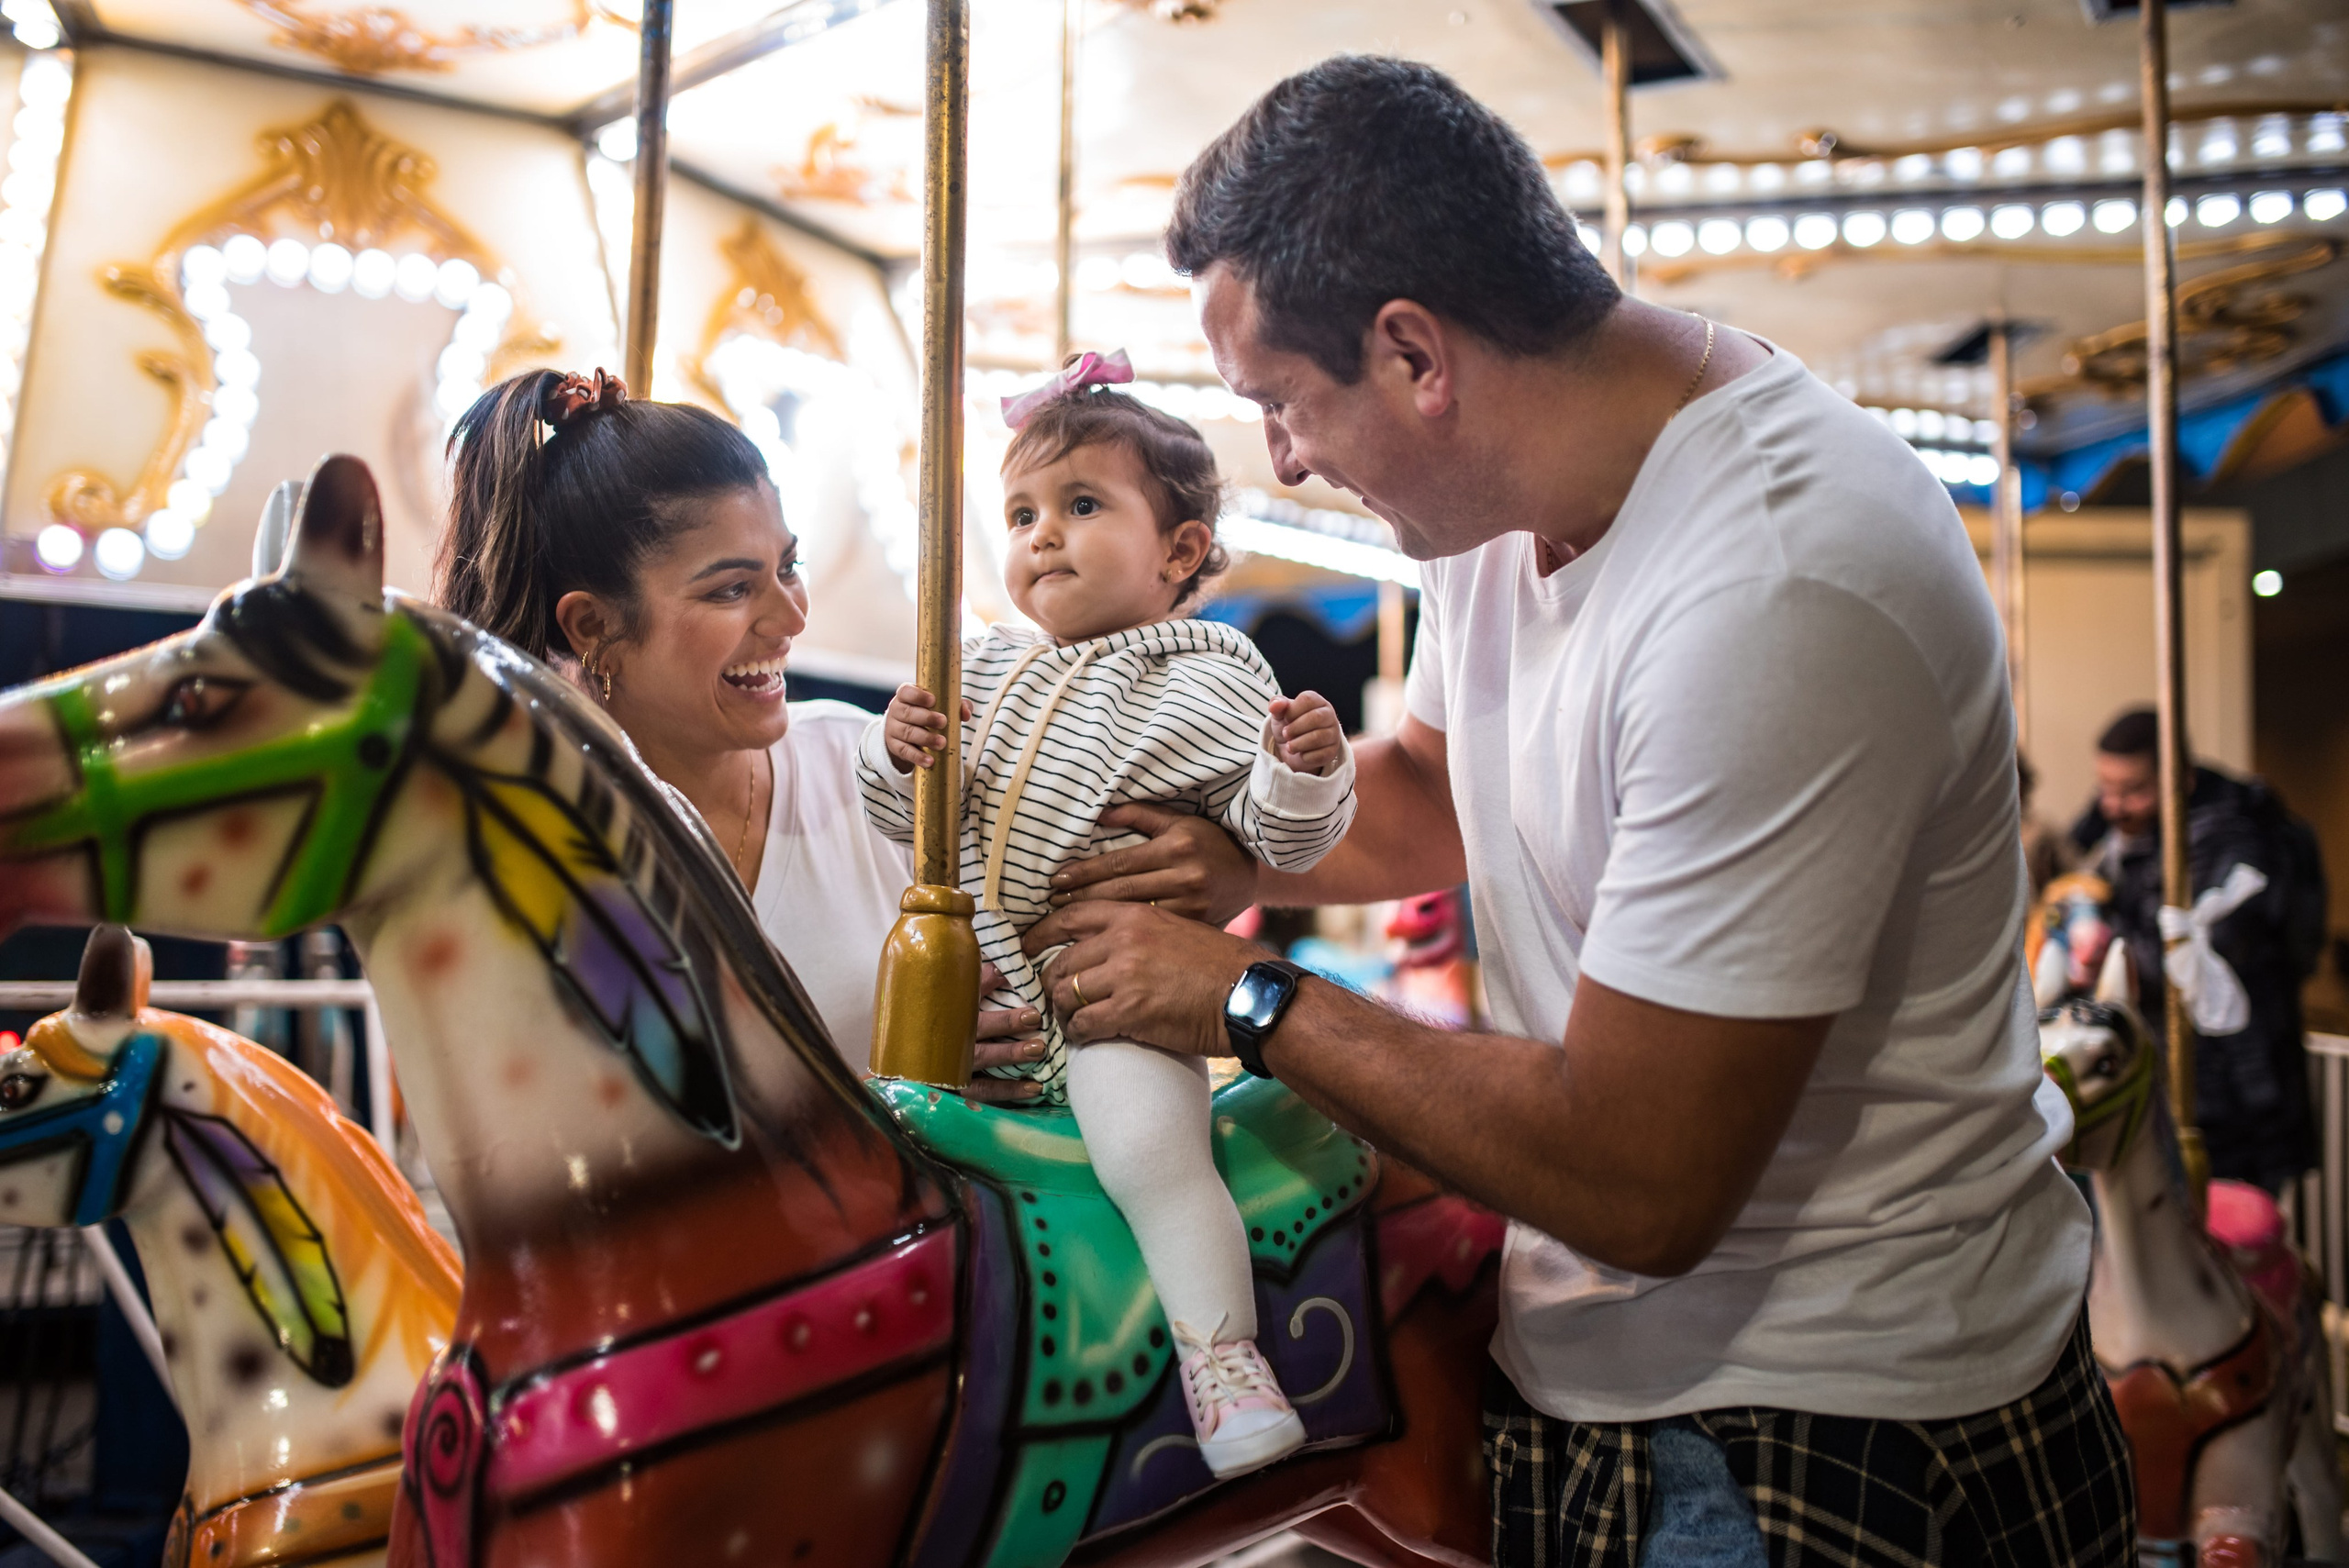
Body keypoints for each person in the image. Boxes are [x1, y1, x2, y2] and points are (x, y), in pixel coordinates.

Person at [1024, 58, 2132, 1565]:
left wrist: (1248, 993)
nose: (1282, 458)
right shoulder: (1498, 502)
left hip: (1822, 1408)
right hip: (1591, 1358)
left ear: (1415, 351)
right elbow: (1423, 794)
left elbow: (1638, 1174)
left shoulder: (1777, 583)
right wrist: (1224, 847)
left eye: (1283, 401)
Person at [859, 351, 1354, 1478]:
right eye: (1024, 510)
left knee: (1147, 1149)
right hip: (980, 994)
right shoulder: (981, 663)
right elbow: (902, 813)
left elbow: (1277, 838)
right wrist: (891, 746)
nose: (1043, 534)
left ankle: (1222, 1362)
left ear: (1178, 550)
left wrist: (1301, 773)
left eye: (1083, 506)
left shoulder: (1211, 670)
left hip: (1111, 998)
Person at [432, 368, 1057, 1090]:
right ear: (594, 625)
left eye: (788, 567)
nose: (792, 618)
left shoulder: (871, 770)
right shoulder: (527, 852)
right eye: (732, 588)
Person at [2070, 706, 2323, 1191]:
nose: (2113, 805)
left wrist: (2111, 951)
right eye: (2105, 787)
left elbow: (2201, 955)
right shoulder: (2119, 827)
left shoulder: (2232, 837)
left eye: (2133, 791)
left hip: (2239, 1097)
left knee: (2233, 1240)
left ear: (2181, 781)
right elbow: (2068, 865)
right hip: (2169, 1085)